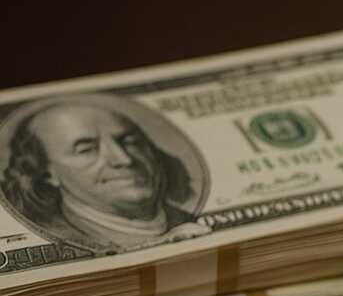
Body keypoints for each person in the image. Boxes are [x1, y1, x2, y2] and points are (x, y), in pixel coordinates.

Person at [0, 100, 208, 252]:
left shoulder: (185, 219)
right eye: (86, 149)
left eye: (129, 142)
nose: (123, 159)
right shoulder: (64, 238)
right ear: (46, 174)